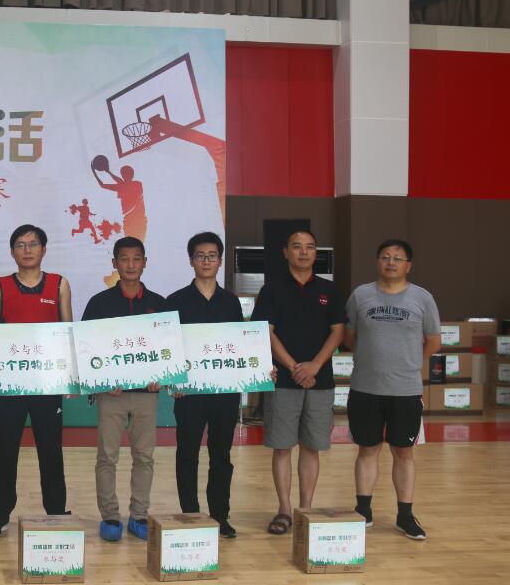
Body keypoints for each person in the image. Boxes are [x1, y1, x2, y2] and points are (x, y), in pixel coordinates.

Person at [0, 224, 73, 539]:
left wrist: (68, 377)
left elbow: (66, 332)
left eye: (33, 244)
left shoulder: (59, 284)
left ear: (43, 249)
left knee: (51, 451)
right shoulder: (0, 286)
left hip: (48, 386)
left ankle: (57, 512)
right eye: (20, 244)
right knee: (4, 451)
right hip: (11, 387)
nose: (27, 250)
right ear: (12, 251)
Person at [345, 239, 439, 541]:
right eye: (385, 257)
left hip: (405, 390)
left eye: (398, 258)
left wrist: (409, 363)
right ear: (377, 262)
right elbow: (350, 337)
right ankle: (363, 510)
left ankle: (405, 515)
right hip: (365, 387)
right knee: (367, 449)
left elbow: (433, 341)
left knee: (403, 452)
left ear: (408, 265)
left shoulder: (422, 298)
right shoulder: (361, 295)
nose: (391, 262)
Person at [252, 230, 345, 535]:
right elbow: (266, 331)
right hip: (284, 381)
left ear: (316, 253)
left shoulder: (329, 290)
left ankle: (305, 509)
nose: (304, 252)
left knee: (311, 447)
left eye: (310, 247)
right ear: (286, 252)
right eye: (297, 247)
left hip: (320, 380)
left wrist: (315, 365)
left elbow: (338, 332)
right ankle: (283, 509)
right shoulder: (272, 290)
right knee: (282, 447)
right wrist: (293, 367)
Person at [81, 236, 167, 542]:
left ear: (145, 263)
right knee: (107, 456)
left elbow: (167, 349)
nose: (130, 265)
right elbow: (87, 349)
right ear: (114, 263)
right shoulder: (99, 303)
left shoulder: (159, 304)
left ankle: (139, 515)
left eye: (136, 258)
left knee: (144, 457)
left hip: (147, 394)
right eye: (124, 259)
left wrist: (161, 376)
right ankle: (110, 517)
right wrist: (103, 379)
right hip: (111, 394)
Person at [167, 232, 243, 538]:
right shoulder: (176, 301)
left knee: (221, 455)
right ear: (191, 261)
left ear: (220, 261)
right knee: (187, 453)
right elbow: (169, 347)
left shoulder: (231, 302)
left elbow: (239, 347)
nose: (206, 261)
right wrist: (174, 379)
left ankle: (220, 515)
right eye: (200, 255)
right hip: (189, 393)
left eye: (212, 256)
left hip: (225, 393)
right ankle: (190, 514)